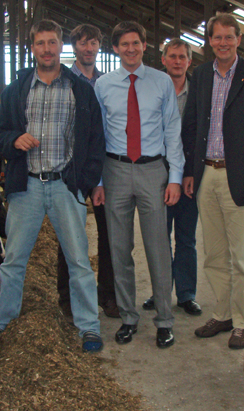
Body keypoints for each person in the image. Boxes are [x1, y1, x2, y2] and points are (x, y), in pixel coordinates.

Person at [0, 20, 105, 353]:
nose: (47, 49)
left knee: (79, 261)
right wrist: (14, 139)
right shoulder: (17, 90)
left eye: (52, 42)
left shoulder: (80, 90)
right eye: (40, 43)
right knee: (13, 260)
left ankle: (88, 327)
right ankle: (4, 320)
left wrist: (83, 182)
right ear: (33, 48)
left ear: (60, 46)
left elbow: (96, 141)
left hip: (64, 187)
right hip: (26, 187)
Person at [181, 13, 244, 349]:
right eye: (216, 37)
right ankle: (222, 314)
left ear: (239, 39)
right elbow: (192, 125)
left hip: (243, 177)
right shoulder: (202, 74)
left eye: (229, 37)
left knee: (242, 257)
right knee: (214, 254)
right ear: (209, 41)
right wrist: (190, 172)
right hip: (208, 173)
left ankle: (243, 322)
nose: (222, 43)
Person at [92, 21, 184, 349]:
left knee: (158, 248)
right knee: (119, 248)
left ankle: (164, 320)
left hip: (152, 171)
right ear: (114, 48)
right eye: (123, 44)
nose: (130, 49)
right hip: (114, 170)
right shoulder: (102, 85)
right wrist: (99, 181)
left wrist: (174, 177)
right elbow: (97, 134)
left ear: (145, 46)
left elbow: (173, 132)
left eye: (136, 43)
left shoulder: (161, 83)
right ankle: (129, 316)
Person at [55, 24, 120, 320]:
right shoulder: (64, 80)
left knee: (109, 235)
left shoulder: (108, 83)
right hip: (73, 169)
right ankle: (68, 297)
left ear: (99, 46)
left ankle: (108, 294)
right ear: (74, 46)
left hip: (106, 168)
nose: (88, 48)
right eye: (82, 42)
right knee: (70, 234)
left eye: (93, 42)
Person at [142, 38, 202, 316]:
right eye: (172, 56)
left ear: (190, 62)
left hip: (189, 174)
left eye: (183, 57)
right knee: (159, 236)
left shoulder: (199, 92)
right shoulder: (152, 89)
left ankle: (187, 294)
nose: (177, 61)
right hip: (156, 171)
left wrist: (190, 172)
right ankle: (160, 291)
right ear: (163, 59)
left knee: (186, 236)